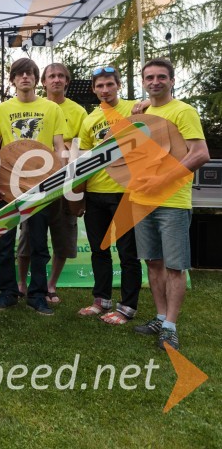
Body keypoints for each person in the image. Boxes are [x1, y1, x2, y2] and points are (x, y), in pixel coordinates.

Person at [131, 58, 209, 350]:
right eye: (149, 77)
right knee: (153, 262)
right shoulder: (142, 110)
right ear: (143, 82)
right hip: (141, 201)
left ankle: (171, 327)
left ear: (172, 80)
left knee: (175, 267)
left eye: (161, 77)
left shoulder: (184, 111)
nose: (155, 82)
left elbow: (200, 153)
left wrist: (161, 181)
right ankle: (160, 317)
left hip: (173, 202)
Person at [0, 58, 65, 316]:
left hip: (40, 185)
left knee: (39, 244)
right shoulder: (1, 110)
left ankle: (37, 295)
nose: (25, 78)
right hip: (8, 186)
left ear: (35, 78)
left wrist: (58, 178)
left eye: (29, 73)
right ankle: (8, 292)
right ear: (13, 80)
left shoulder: (52, 109)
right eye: (19, 74)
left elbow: (58, 148)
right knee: (4, 242)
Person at [16, 63, 87, 304]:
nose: (56, 80)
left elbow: (82, 145)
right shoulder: (33, 107)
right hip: (33, 181)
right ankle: (22, 283)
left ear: (67, 82)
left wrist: (77, 186)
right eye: (51, 76)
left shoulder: (78, 111)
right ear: (43, 81)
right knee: (27, 236)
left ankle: (51, 285)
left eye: (61, 76)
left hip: (66, 182)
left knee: (62, 235)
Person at [77, 66, 142, 325]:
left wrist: (145, 102)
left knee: (128, 253)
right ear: (94, 89)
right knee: (99, 250)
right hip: (95, 193)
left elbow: (159, 111)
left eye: (109, 85)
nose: (105, 90)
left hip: (126, 193)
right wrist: (80, 195)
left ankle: (127, 307)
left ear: (118, 86)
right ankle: (101, 300)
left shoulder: (135, 108)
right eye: (100, 86)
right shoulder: (89, 119)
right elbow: (83, 161)